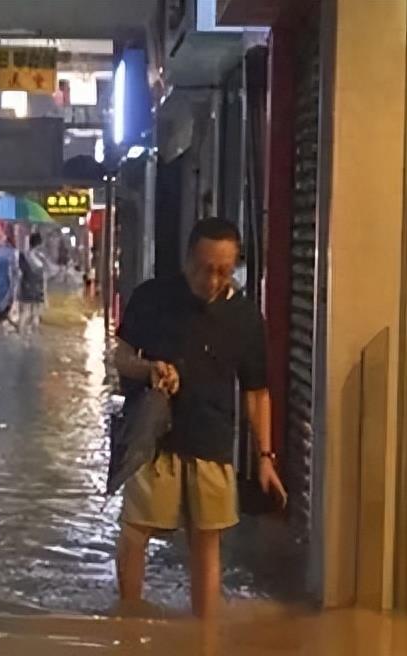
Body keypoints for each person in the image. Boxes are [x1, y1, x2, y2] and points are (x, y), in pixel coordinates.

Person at [112, 218, 287, 619]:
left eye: (224, 270)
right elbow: (121, 356)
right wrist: (150, 368)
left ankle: (204, 637)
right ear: (189, 260)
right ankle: (126, 626)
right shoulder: (152, 298)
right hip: (152, 437)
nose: (212, 279)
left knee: (207, 543)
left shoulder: (245, 318)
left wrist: (265, 457)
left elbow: (257, 391)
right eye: (205, 268)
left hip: (211, 439)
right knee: (135, 533)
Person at [17, 232, 48, 334]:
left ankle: (20, 334)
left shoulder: (23, 256)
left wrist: (16, 292)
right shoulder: (42, 257)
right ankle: (34, 338)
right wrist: (46, 297)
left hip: (26, 287)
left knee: (24, 312)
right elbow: (44, 277)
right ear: (40, 244)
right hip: (38, 288)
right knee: (36, 314)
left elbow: (19, 273)